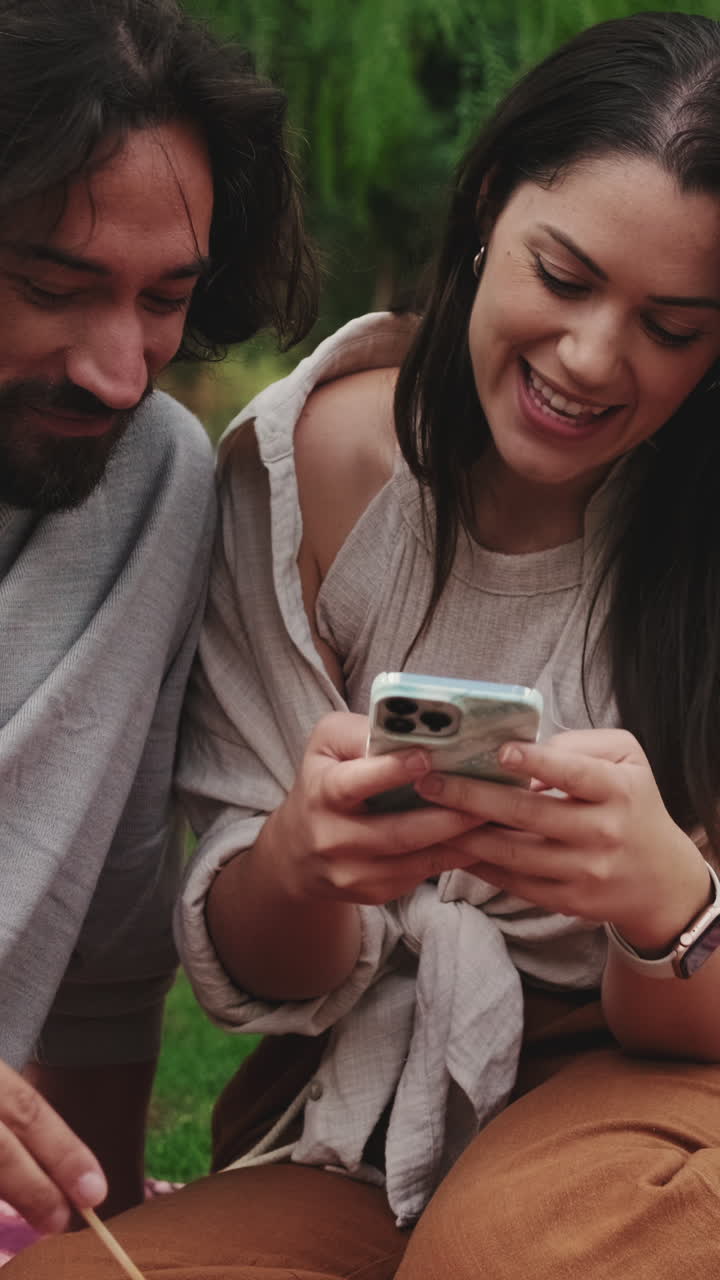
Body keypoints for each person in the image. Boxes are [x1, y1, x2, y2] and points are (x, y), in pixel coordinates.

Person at [13, 8, 720, 1278]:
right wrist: (301, 858)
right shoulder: (296, 473)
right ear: (489, 205)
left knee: (513, 1249)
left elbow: (688, 1020)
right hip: (361, 1102)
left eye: (675, 327)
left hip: (666, 1070)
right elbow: (260, 967)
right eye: (563, 277)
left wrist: (663, 903)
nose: (593, 356)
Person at [0, 0, 315, 1244]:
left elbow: (107, 934)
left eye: (165, 298)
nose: (119, 370)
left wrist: (109, 1223)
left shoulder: (150, 476)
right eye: (50, 287)